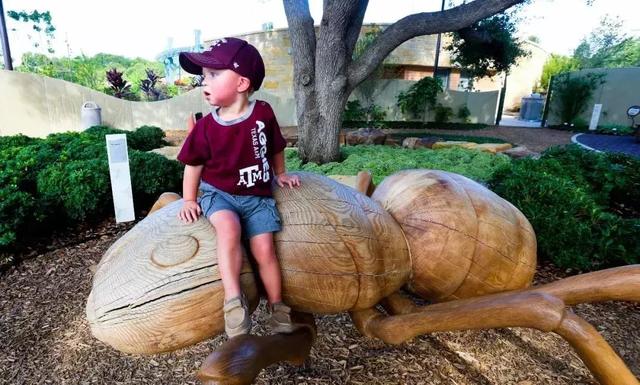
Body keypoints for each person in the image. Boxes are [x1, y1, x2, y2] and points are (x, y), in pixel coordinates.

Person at [176, 37, 300, 338]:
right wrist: (189, 199)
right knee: (229, 230)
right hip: (220, 195)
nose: (204, 83)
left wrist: (279, 173)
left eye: (213, 75)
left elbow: (276, 146)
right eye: (203, 76)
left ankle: (278, 307)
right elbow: (193, 165)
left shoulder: (263, 113)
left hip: (257, 198)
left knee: (265, 249)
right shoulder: (206, 127)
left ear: (242, 82)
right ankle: (233, 302)